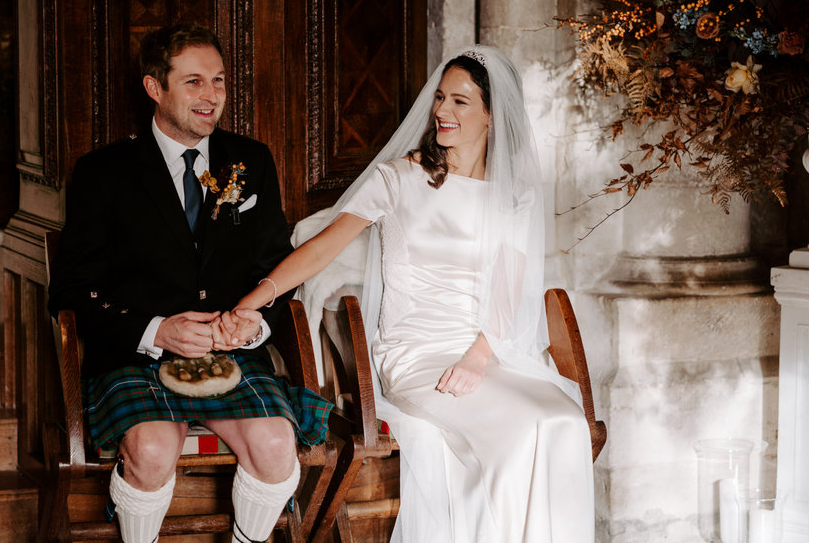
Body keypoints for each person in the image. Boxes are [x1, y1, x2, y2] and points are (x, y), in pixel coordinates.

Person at [230, 45, 595, 541]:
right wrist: (249, 303)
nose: (442, 111)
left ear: (493, 114)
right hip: (414, 354)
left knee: (563, 421)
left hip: (486, 354)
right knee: (523, 430)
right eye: (441, 98)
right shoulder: (400, 178)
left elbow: (509, 292)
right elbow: (320, 250)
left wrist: (478, 357)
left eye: (460, 102)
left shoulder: (516, 195)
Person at [47, 24, 330, 543]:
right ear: (156, 88)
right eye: (194, 82)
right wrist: (157, 331)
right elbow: (68, 290)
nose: (211, 97)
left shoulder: (251, 161)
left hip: (233, 355)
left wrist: (254, 327)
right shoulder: (103, 172)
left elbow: (277, 269)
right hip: (137, 355)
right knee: (152, 452)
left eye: (218, 82)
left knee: (275, 446)